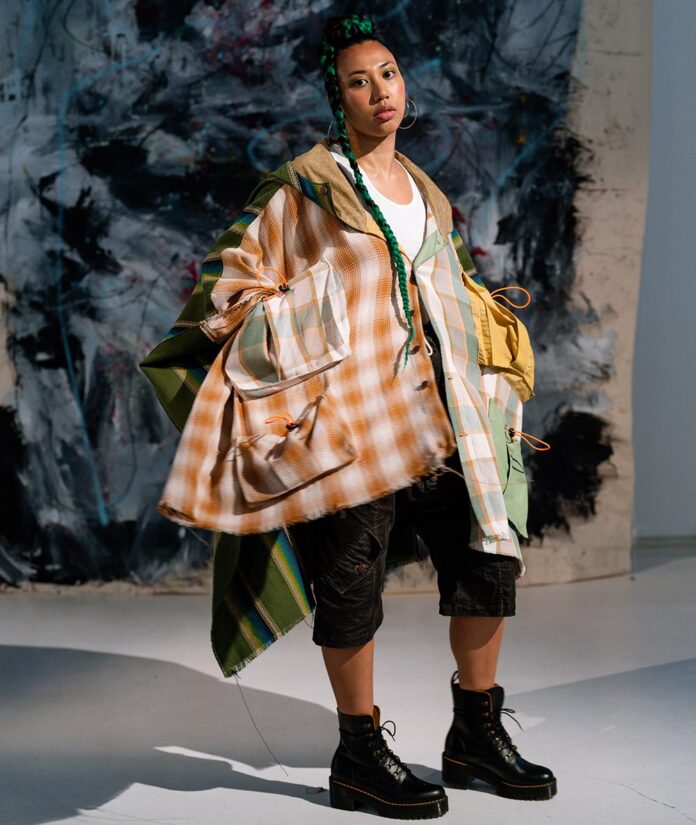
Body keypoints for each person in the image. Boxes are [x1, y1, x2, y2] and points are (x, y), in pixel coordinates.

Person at [143, 12, 556, 820]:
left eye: (389, 74)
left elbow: (450, 289)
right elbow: (231, 289)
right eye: (359, 82)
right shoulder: (304, 188)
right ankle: (359, 753)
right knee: (350, 576)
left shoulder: (426, 193)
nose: (380, 92)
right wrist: (322, 341)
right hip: (356, 422)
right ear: (339, 100)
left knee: (486, 556)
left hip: (445, 415)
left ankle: (474, 733)